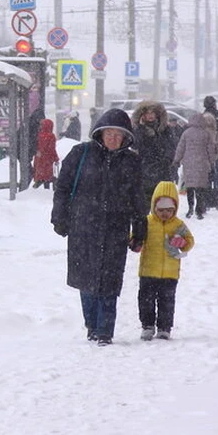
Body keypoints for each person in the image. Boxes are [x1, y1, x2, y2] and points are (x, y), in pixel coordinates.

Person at [51, 108, 146, 346]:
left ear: (126, 138)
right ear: (100, 133)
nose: (113, 138)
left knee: (110, 281)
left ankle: (105, 330)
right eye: (109, 133)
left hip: (116, 229)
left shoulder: (132, 162)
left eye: (119, 135)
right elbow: (62, 188)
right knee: (86, 279)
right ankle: (91, 325)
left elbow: (138, 199)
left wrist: (140, 230)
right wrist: (59, 218)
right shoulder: (80, 154)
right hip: (83, 227)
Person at [132, 180, 195, 341]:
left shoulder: (178, 225)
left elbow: (189, 241)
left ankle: (164, 327)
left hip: (170, 273)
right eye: (161, 210)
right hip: (148, 271)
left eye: (169, 210)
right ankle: (147, 325)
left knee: (167, 301)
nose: (165, 213)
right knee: (146, 301)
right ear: (154, 206)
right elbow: (136, 237)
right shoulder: (147, 222)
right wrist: (135, 243)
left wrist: (183, 243)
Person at [130, 100, 178, 217]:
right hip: (144, 176)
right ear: (142, 115)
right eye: (147, 113)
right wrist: (141, 130)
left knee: (162, 211)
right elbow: (135, 146)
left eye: (153, 112)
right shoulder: (138, 130)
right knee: (142, 213)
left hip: (163, 175)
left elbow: (171, 149)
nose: (150, 115)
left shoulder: (165, 130)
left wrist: (170, 165)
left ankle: (160, 234)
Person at [173, 113, 218, 219]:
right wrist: (212, 162)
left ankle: (190, 208)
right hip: (202, 163)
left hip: (188, 163)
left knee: (190, 187)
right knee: (200, 188)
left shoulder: (186, 133)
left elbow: (181, 147)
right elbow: (210, 150)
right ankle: (199, 209)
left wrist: (176, 160)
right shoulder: (206, 134)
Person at [32, 118, 58, 189]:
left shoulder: (39, 135)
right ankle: (46, 191)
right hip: (47, 159)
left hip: (39, 158)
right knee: (48, 176)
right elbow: (52, 149)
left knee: (41, 176)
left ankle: (35, 188)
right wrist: (56, 158)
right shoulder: (51, 136)